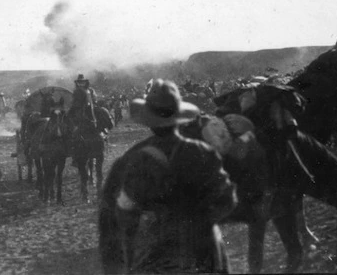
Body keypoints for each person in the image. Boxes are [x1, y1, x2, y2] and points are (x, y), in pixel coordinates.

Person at [99, 79, 237, 274]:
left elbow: (121, 211)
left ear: (150, 121)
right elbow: (227, 201)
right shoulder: (203, 152)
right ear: (178, 117)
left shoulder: (133, 158)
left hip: (156, 256)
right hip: (202, 252)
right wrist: (198, 221)